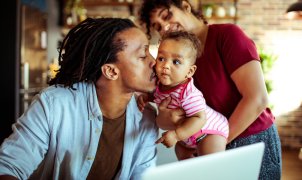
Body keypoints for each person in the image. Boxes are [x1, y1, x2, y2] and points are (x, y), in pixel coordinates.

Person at [138, 0, 282, 179]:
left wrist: (215, 144)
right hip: (207, 144)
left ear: (185, 6)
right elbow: (174, 112)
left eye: (167, 16)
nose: (166, 27)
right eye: (158, 26)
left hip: (251, 140)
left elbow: (257, 99)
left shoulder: (227, 36)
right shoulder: (176, 60)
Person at [0, 18, 158, 179]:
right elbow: (8, 168)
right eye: (143, 56)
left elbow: (143, 176)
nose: (154, 62)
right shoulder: (54, 105)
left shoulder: (147, 117)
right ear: (111, 71)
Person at [138, 31, 229, 160]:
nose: (166, 66)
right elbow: (158, 95)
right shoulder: (159, 84)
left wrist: (176, 135)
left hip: (208, 132)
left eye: (176, 62)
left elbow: (199, 118)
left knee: (209, 165)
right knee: (181, 154)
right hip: (186, 136)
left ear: (189, 71)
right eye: (161, 58)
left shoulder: (188, 93)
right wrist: (147, 97)